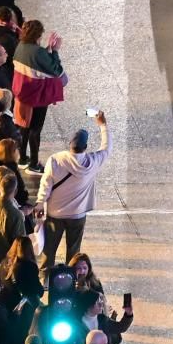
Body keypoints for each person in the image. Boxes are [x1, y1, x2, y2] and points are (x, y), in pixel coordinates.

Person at [36, 110, 111, 278]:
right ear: (85, 147)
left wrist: (40, 203)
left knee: (49, 248)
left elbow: (46, 184)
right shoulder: (92, 162)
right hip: (77, 215)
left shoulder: (56, 159)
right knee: (73, 250)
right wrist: (103, 125)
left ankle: (45, 279)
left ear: (70, 144)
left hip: (55, 213)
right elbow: (107, 148)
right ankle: (70, 279)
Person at [12, 21, 67, 170]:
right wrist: (55, 50)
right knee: (35, 129)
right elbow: (56, 70)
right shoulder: (38, 52)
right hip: (37, 96)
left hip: (22, 93)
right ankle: (34, 164)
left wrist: (47, 50)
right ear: (38, 35)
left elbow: (36, 61)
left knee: (23, 126)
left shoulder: (20, 46)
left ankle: (22, 158)